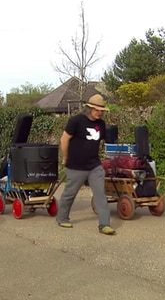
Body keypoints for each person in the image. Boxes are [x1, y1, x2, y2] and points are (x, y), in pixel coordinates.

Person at [56, 94, 116, 235]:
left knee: (100, 195)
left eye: (101, 110)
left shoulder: (101, 124)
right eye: (97, 110)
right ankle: (62, 218)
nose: (99, 113)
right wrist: (65, 157)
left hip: (94, 166)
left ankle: (104, 225)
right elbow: (64, 140)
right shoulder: (76, 121)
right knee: (70, 193)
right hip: (76, 165)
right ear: (89, 108)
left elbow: (98, 142)